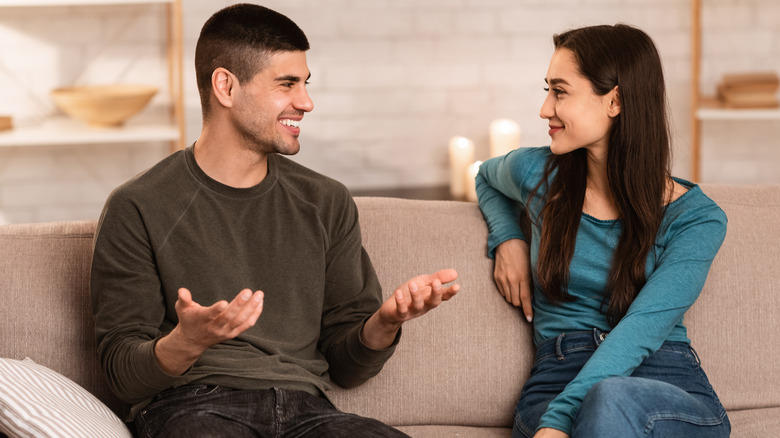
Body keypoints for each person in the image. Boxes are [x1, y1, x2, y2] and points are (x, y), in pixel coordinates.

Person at [90, 4, 459, 437]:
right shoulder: (139, 205)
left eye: (305, 84)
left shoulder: (325, 201)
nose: (306, 102)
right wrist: (186, 341)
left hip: (310, 412)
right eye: (287, 84)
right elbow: (121, 374)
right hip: (194, 408)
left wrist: (385, 322)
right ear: (225, 86)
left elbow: (347, 367)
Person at [476, 24, 730, 438]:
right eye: (548, 90)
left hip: (664, 384)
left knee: (610, 399)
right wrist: (509, 238)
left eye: (559, 91)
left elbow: (642, 327)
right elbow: (485, 177)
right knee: (605, 402)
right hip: (558, 376)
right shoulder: (538, 175)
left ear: (614, 100)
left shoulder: (696, 218)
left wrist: (559, 422)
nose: (544, 110)